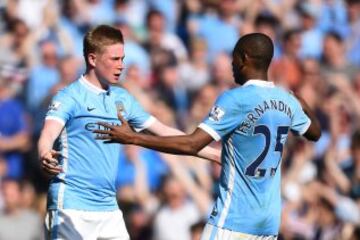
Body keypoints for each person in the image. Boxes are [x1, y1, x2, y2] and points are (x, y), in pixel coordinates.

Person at [94, 33, 321, 239]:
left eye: (234, 58)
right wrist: (304, 105)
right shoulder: (286, 100)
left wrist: (134, 138)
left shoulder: (235, 99)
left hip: (234, 219)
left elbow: (192, 144)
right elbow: (315, 133)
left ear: (244, 58)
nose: (232, 65)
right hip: (269, 222)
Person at [38, 24, 220, 240]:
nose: (121, 66)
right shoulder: (69, 97)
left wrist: (214, 155)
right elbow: (49, 132)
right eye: (114, 59)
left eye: (122, 59)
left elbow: (163, 131)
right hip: (71, 205)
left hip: (108, 208)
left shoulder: (121, 99)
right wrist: (45, 152)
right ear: (93, 59)